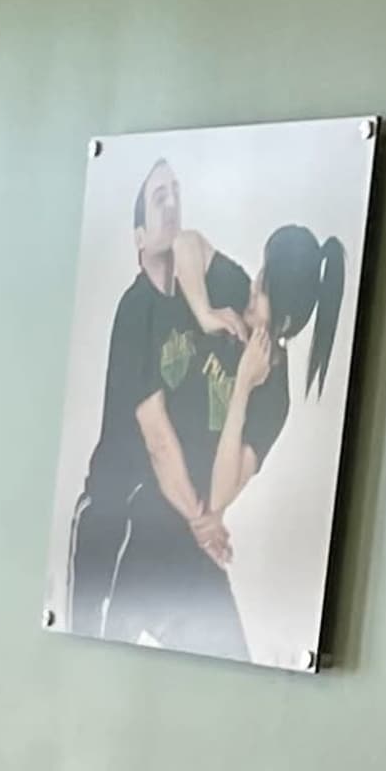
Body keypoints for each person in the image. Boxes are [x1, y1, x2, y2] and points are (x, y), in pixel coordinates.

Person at [67, 156, 281, 651]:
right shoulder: (135, 310)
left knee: (230, 655)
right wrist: (204, 523)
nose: (172, 202)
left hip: (176, 520)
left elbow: (193, 244)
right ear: (139, 236)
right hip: (116, 521)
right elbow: (158, 437)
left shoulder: (202, 296)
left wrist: (206, 312)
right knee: (91, 661)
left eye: (176, 192)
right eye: (158, 196)